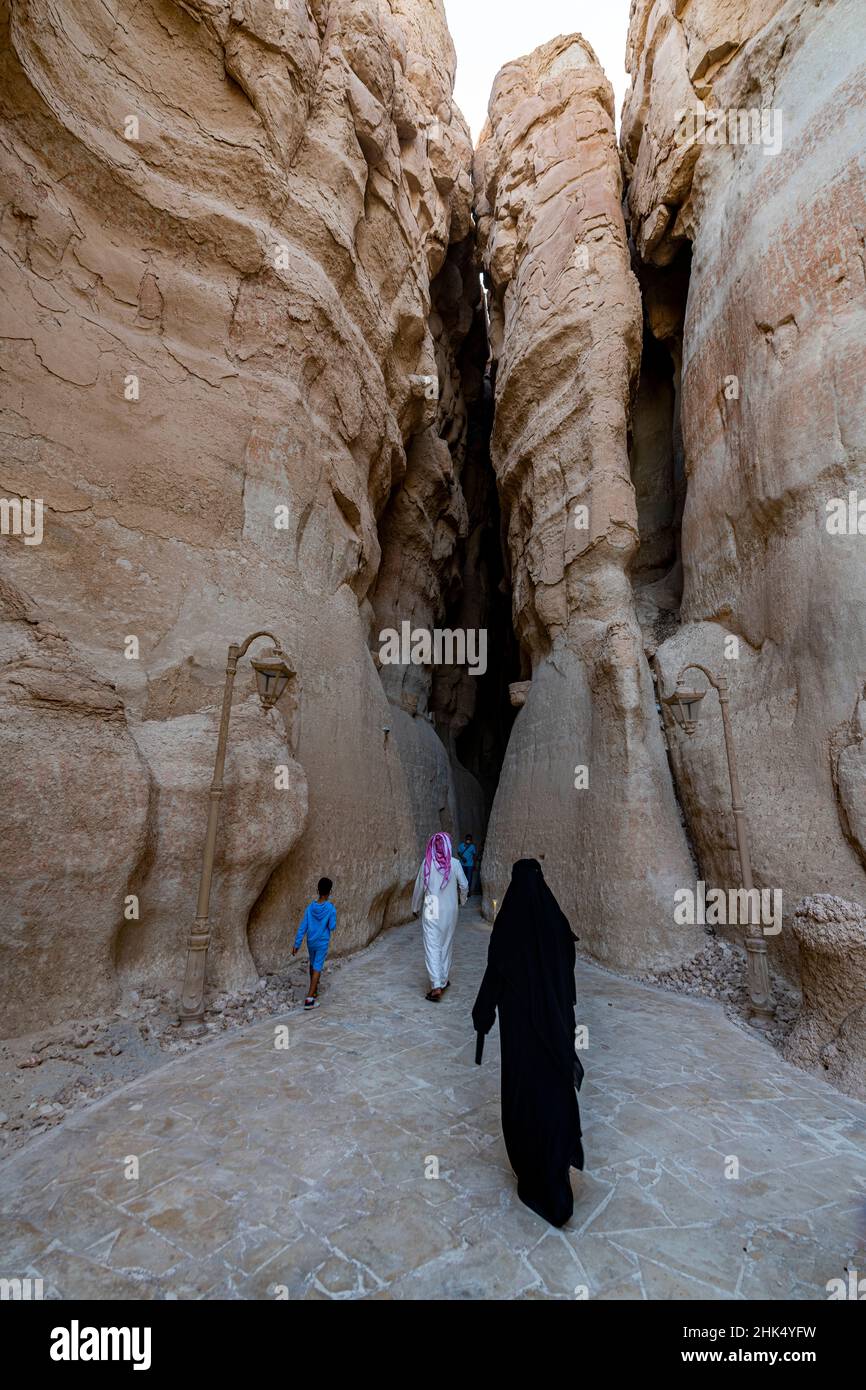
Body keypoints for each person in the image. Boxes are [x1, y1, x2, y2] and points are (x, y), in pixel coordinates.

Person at [471, 858, 584, 1226]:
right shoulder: (556, 922)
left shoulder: (509, 926)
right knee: (554, 1100)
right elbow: (567, 969)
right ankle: (557, 1186)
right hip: (555, 1034)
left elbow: (495, 973)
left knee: (525, 1103)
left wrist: (483, 1014)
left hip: (521, 1038)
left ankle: (535, 1178)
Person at [412, 832, 468, 1001]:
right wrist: (462, 900)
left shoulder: (427, 863)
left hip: (432, 905)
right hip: (450, 908)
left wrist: (415, 907)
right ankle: (442, 979)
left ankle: (437, 985)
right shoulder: (455, 863)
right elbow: (464, 884)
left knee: (432, 944)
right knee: (445, 943)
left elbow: (419, 887)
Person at [292, 876, 336, 1010]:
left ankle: (314, 990)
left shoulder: (310, 908)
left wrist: (296, 944)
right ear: (330, 892)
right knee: (317, 967)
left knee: (312, 965)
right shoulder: (330, 908)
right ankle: (309, 999)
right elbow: (332, 926)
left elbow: (303, 926)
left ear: (317, 890)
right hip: (322, 942)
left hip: (311, 941)